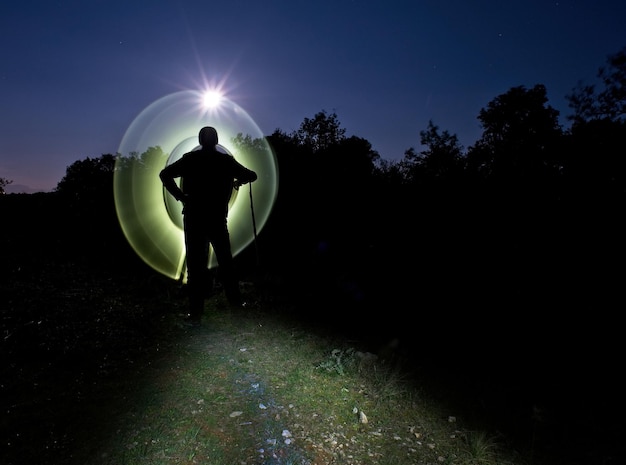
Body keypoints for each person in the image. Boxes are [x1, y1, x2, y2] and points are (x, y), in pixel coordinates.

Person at [159, 126, 257, 326]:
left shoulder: (190, 159)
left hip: (194, 218)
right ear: (216, 140)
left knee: (195, 268)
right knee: (226, 264)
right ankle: (237, 310)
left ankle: (196, 316)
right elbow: (252, 175)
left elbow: (164, 175)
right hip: (217, 218)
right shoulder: (225, 161)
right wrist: (238, 181)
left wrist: (181, 197)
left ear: (201, 140)